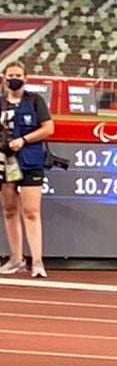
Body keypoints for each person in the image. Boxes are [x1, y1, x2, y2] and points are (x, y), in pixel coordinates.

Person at [1, 59, 54, 280]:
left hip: (30, 161)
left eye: (17, 76)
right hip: (5, 162)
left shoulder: (34, 101)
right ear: (3, 79)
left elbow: (48, 128)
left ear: (25, 78)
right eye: (10, 76)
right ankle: (16, 258)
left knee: (31, 212)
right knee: (9, 210)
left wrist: (23, 140)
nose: (14, 79)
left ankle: (37, 261)